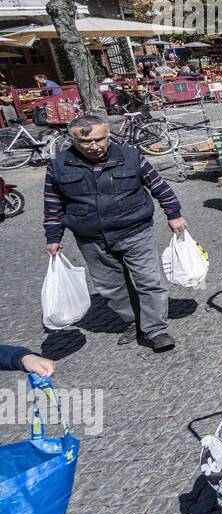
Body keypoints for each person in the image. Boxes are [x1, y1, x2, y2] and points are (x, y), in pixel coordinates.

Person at [44, 114, 187, 351]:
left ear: (108, 135)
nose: (94, 146)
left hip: (135, 230)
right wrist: (53, 237)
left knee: (149, 281)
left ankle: (156, 330)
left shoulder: (130, 156)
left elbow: (159, 185)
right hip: (91, 238)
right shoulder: (58, 165)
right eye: (86, 142)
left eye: (100, 139)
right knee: (111, 287)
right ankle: (134, 321)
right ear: (73, 141)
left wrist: (174, 213)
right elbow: (52, 204)